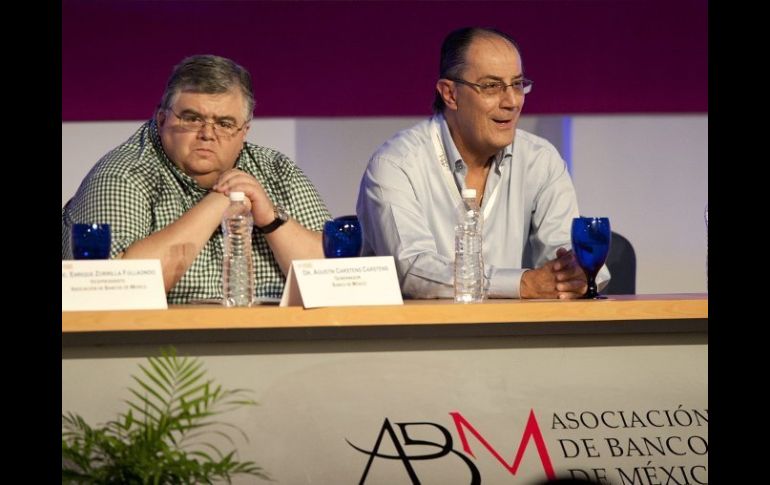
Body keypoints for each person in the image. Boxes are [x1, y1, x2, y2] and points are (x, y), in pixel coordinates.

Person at [356, 27, 609, 299]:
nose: (512, 101)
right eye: (491, 86)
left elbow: (567, 256)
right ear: (450, 94)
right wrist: (522, 284)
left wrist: (575, 275)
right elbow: (413, 269)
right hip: (420, 338)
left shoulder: (541, 161)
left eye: (517, 84)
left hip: (518, 335)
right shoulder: (395, 166)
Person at [62, 55, 331, 303]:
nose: (207, 134)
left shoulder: (277, 171)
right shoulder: (124, 174)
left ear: (244, 131)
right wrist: (219, 201)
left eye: (225, 123)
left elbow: (332, 281)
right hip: (160, 347)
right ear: (161, 119)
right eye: (192, 119)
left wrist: (272, 220)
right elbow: (112, 292)